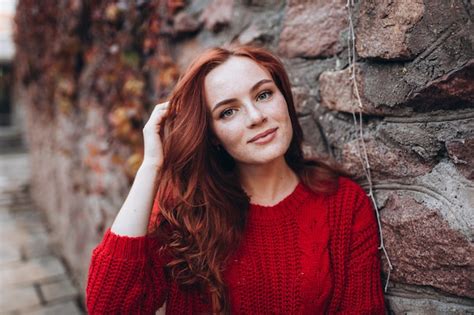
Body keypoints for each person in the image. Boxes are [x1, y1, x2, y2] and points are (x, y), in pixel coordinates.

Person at [86, 44, 387, 314]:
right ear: (213, 136)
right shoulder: (184, 210)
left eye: (264, 94)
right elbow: (108, 308)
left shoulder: (343, 204)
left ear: (284, 98)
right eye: (228, 112)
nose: (256, 116)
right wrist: (151, 166)